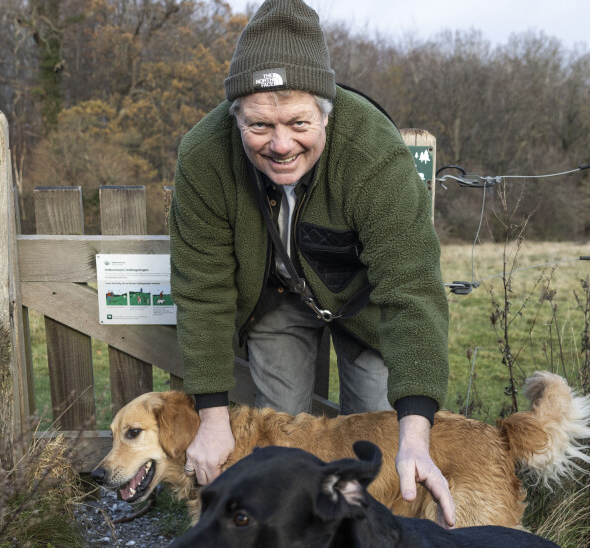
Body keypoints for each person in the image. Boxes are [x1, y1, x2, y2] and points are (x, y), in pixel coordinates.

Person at [168, 0, 454, 526]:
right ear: (235, 117)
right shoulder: (204, 156)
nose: (281, 145)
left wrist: (416, 434)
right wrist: (211, 418)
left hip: (366, 305)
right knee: (284, 440)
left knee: (377, 443)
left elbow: (411, 289)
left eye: (298, 122)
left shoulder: (373, 154)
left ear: (326, 110)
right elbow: (202, 290)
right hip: (274, 301)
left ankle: (368, 528)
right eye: (259, 125)